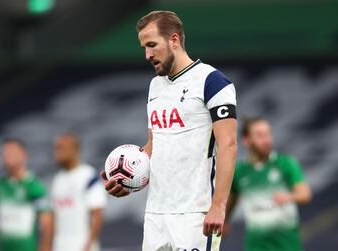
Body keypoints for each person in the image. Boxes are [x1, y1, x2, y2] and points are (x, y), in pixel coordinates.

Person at [101, 10, 237, 251]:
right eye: (144, 47)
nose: (147, 54)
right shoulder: (155, 86)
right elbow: (154, 145)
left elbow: (228, 145)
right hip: (156, 213)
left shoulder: (212, 82)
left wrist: (218, 206)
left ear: (174, 40)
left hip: (195, 213)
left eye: (152, 45)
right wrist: (126, 177)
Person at [226, 117, 312, 251]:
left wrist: (290, 197)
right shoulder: (239, 172)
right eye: (260, 135)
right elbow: (231, 200)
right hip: (255, 246)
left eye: (268, 134)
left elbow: (304, 194)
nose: (267, 140)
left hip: (287, 245)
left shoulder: (286, 164)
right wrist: (224, 222)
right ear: (246, 140)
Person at [51, 133, 107, 251]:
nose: (57, 153)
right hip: (60, 245)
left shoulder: (88, 176)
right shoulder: (57, 179)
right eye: (56, 148)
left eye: (61, 148)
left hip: (81, 244)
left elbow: (97, 214)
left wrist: (89, 245)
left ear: (75, 150)